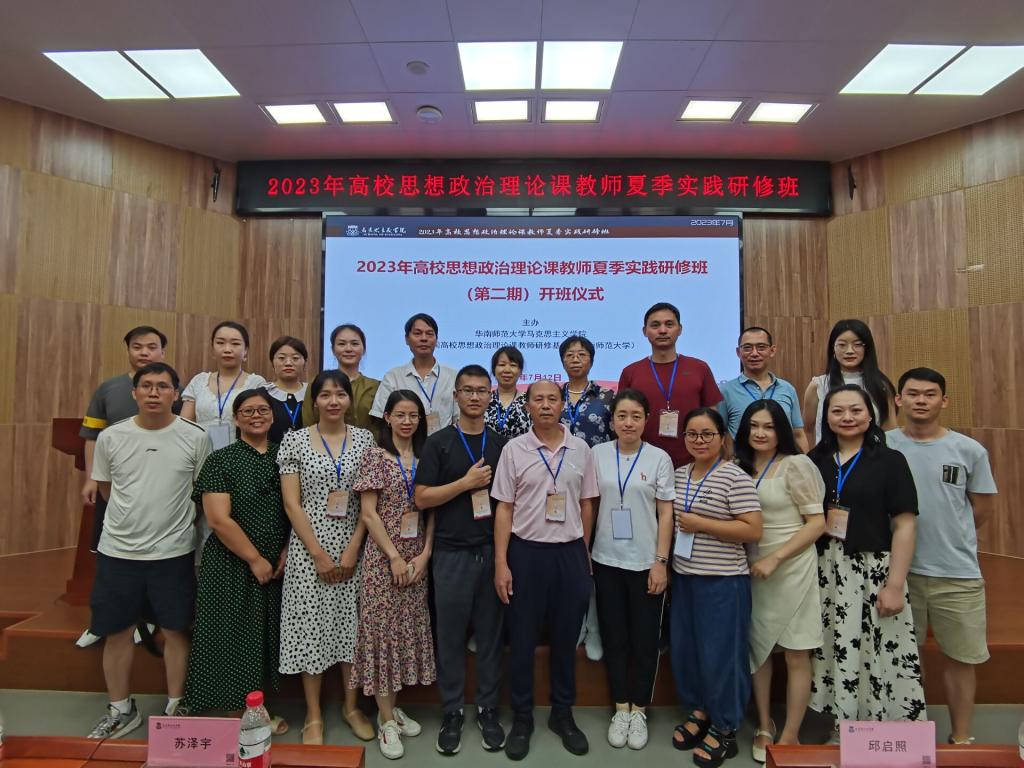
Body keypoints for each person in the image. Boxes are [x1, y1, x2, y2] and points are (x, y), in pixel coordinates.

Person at [86, 362, 212, 739]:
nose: (154, 392)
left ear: (176, 394)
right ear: (135, 393)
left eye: (162, 386)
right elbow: (106, 489)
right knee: (117, 631)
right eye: (146, 386)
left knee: (176, 630)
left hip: (172, 553)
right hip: (118, 552)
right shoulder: (112, 437)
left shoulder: (195, 437)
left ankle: (177, 706)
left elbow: (201, 493)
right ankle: (121, 709)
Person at [887, 368, 997, 745]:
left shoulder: (969, 450)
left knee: (962, 659)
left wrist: (950, 536)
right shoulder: (884, 447)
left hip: (957, 572)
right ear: (898, 400)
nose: (921, 400)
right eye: (913, 393)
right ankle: (905, 737)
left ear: (944, 400)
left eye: (930, 394)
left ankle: (961, 738)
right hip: (899, 573)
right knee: (902, 658)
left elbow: (981, 508)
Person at [807, 384, 926, 733]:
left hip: (873, 570)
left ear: (870, 415)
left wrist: (895, 584)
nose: (847, 417)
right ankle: (838, 726)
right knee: (832, 649)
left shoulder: (890, 460)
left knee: (878, 651)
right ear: (826, 417)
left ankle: (882, 730)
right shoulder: (814, 460)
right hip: (824, 569)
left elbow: (905, 524)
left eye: (855, 410)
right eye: (837, 411)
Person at [492, 379, 599, 761]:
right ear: (528, 406)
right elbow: (504, 508)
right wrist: (501, 562)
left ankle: (562, 713)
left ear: (562, 405)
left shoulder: (581, 449)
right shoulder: (514, 450)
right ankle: (522, 718)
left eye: (553, 398)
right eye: (538, 399)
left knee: (565, 639)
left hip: (569, 554)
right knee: (522, 641)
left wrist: (583, 550)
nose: (546, 405)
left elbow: (587, 503)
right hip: (526, 554)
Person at [277, 371, 376, 745]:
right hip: (308, 551)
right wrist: (317, 554)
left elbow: (369, 501)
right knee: (311, 630)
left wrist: (353, 547)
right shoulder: (295, 440)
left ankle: (351, 707)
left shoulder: (365, 440)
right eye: (325, 395)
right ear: (314, 400)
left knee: (352, 629)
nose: (333, 401)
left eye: (340, 394)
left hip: (354, 545)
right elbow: (292, 503)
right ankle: (314, 714)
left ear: (349, 400)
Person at [415, 365, 508, 755]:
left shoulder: (502, 445)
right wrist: (465, 484)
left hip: (491, 552)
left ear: (490, 396)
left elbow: (508, 504)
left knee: (490, 638)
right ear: (455, 396)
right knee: (450, 638)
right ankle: (451, 711)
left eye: (481, 391)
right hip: (450, 553)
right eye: (467, 390)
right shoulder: (438, 443)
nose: (474, 397)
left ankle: (488, 709)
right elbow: (422, 497)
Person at [183, 389, 290, 731]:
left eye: (262, 410)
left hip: (277, 563)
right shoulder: (221, 460)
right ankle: (236, 712)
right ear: (236, 419)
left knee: (262, 636)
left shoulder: (285, 456)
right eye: (247, 411)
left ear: (272, 416)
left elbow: (297, 509)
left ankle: (255, 706)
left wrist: (286, 550)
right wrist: (254, 559)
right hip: (232, 562)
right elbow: (218, 519)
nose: (256, 416)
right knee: (232, 634)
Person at [733, 400, 825, 763]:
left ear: (781, 431)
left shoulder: (796, 465)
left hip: (791, 567)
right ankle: (764, 724)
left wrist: (777, 557)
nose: (760, 433)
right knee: (759, 650)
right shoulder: (738, 466)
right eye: (754, 426)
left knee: (797, 652)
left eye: (769, 427)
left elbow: (817, 523)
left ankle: (790, 735)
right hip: (752, 569)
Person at [670, 408, 762, 768]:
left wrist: (702, 524)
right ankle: (700, 710)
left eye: (707, 434)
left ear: (722, 439)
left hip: (723, 582)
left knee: (722, 656)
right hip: (685, 577)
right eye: (692, 434)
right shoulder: (679, 475)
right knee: (689, 651)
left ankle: (726, 726)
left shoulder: (734, 476)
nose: (699, 441)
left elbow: (752, 529)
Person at [351, 390, 437, 760]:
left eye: (413, 415)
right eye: (400, 414)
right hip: (383, 561)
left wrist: (426, 554)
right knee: (383, 635)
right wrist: (394, 558)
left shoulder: (426, 456)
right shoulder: (375, 456)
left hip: (417, 559)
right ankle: (385, 720)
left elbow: (432, 511)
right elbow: (368, 514)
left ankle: (393, 707)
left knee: (404, 634)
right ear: (386, 417)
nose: (407, 421)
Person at [77, 325, 172, 648]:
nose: (144, 352)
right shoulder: (108, 389)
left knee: (157, 558)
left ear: (163, 352)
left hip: (160, 488)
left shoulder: (174, 387)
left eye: (151, 347)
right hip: (116, 487)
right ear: (128, 350)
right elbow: (92, 437)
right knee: (109, 555)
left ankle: (147, 617)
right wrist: (91, 477)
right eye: (137, 346)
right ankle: (102, 621)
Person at [591, 389, 674, 751]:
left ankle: (639, 709)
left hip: (645, 563)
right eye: (622, 416)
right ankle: (620, 707)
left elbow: (666, 513)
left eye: (636, 416)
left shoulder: (659, 458)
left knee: (644, 640)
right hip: (605, 560)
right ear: (612, 421)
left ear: (646, 420)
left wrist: (661, 562)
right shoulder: (597, 454)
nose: (628, 422)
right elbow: (591, 505)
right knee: (615, 638)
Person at [559, 334, 613, 662]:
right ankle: (575, 624)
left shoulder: (607, 397)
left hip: (600, 489)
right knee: (570, 558)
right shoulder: (553, 396)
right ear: (562, 360)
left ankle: (595, 626)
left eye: (582, 354)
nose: (576, 359)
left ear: (591, 360)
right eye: (570, 354)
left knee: (594, 556)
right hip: (560, 489)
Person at [618, 302, 722, 468]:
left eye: (669, 324)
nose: (662, 330)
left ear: (680, 329)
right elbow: (621, 417)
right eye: (655, 325)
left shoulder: (699, 368)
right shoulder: (631, 372)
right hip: (641, 462)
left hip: (693, 461)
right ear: (644, 331)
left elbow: (713, 417)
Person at [802, 319, 896, 448]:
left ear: (866, 348)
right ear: (833, 348)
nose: (849, 351)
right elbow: (807, 430)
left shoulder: (881, 386)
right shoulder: (818, 385)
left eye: (857, 344)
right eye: (842, 345)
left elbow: (890, 432)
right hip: (828, 457)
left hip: (872, 456)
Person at [719, 327, 808, 453]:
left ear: (772, 351)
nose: (754, 353)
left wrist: (804, 462)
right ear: (738, 352)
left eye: (761, 347)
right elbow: (721, 434)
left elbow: (798, 434)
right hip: (742, 463)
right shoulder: (725, 391)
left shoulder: (787, 389)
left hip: (783, 462)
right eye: (747, 348)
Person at [180, 321, 268, 450]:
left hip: (241, 454)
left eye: (235, 344)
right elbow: (184, 426)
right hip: (200, 453)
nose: (227, 349)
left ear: (245, 350)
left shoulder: (256, 383)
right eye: (220, 343)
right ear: (212, 349)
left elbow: (260, 425)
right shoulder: (199, 381)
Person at [370, 313, 456, 436]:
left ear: (436, 339)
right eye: (417, 333)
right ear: (406, 339)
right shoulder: (393, 377)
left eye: (429, 334)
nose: (424, 338)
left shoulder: (453, 376)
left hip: (444, 445)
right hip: (404, 444)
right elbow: (381, 417)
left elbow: (460, 418)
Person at [301, 323, 381, 433]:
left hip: (367, 443)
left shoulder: (376, 386)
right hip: (320, 443)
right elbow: (308, 421)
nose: (348, 349)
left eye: (354, 344)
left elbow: (379, 427)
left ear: (363, 349)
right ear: (333, 349)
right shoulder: (317, 382)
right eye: (342, 344)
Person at [264, 335, 308, 443]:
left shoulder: (313, 393)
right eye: (281, 358)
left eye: (295, 358)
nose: (288, 363)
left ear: (304, 362)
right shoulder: (261, 395)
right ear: (272, 362)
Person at [485, 345, 531, 438]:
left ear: (520, 371)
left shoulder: (529, 401)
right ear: (494, 369)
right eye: (502, 365)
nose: (507, 370)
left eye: (513, 365)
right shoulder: (484, 399)